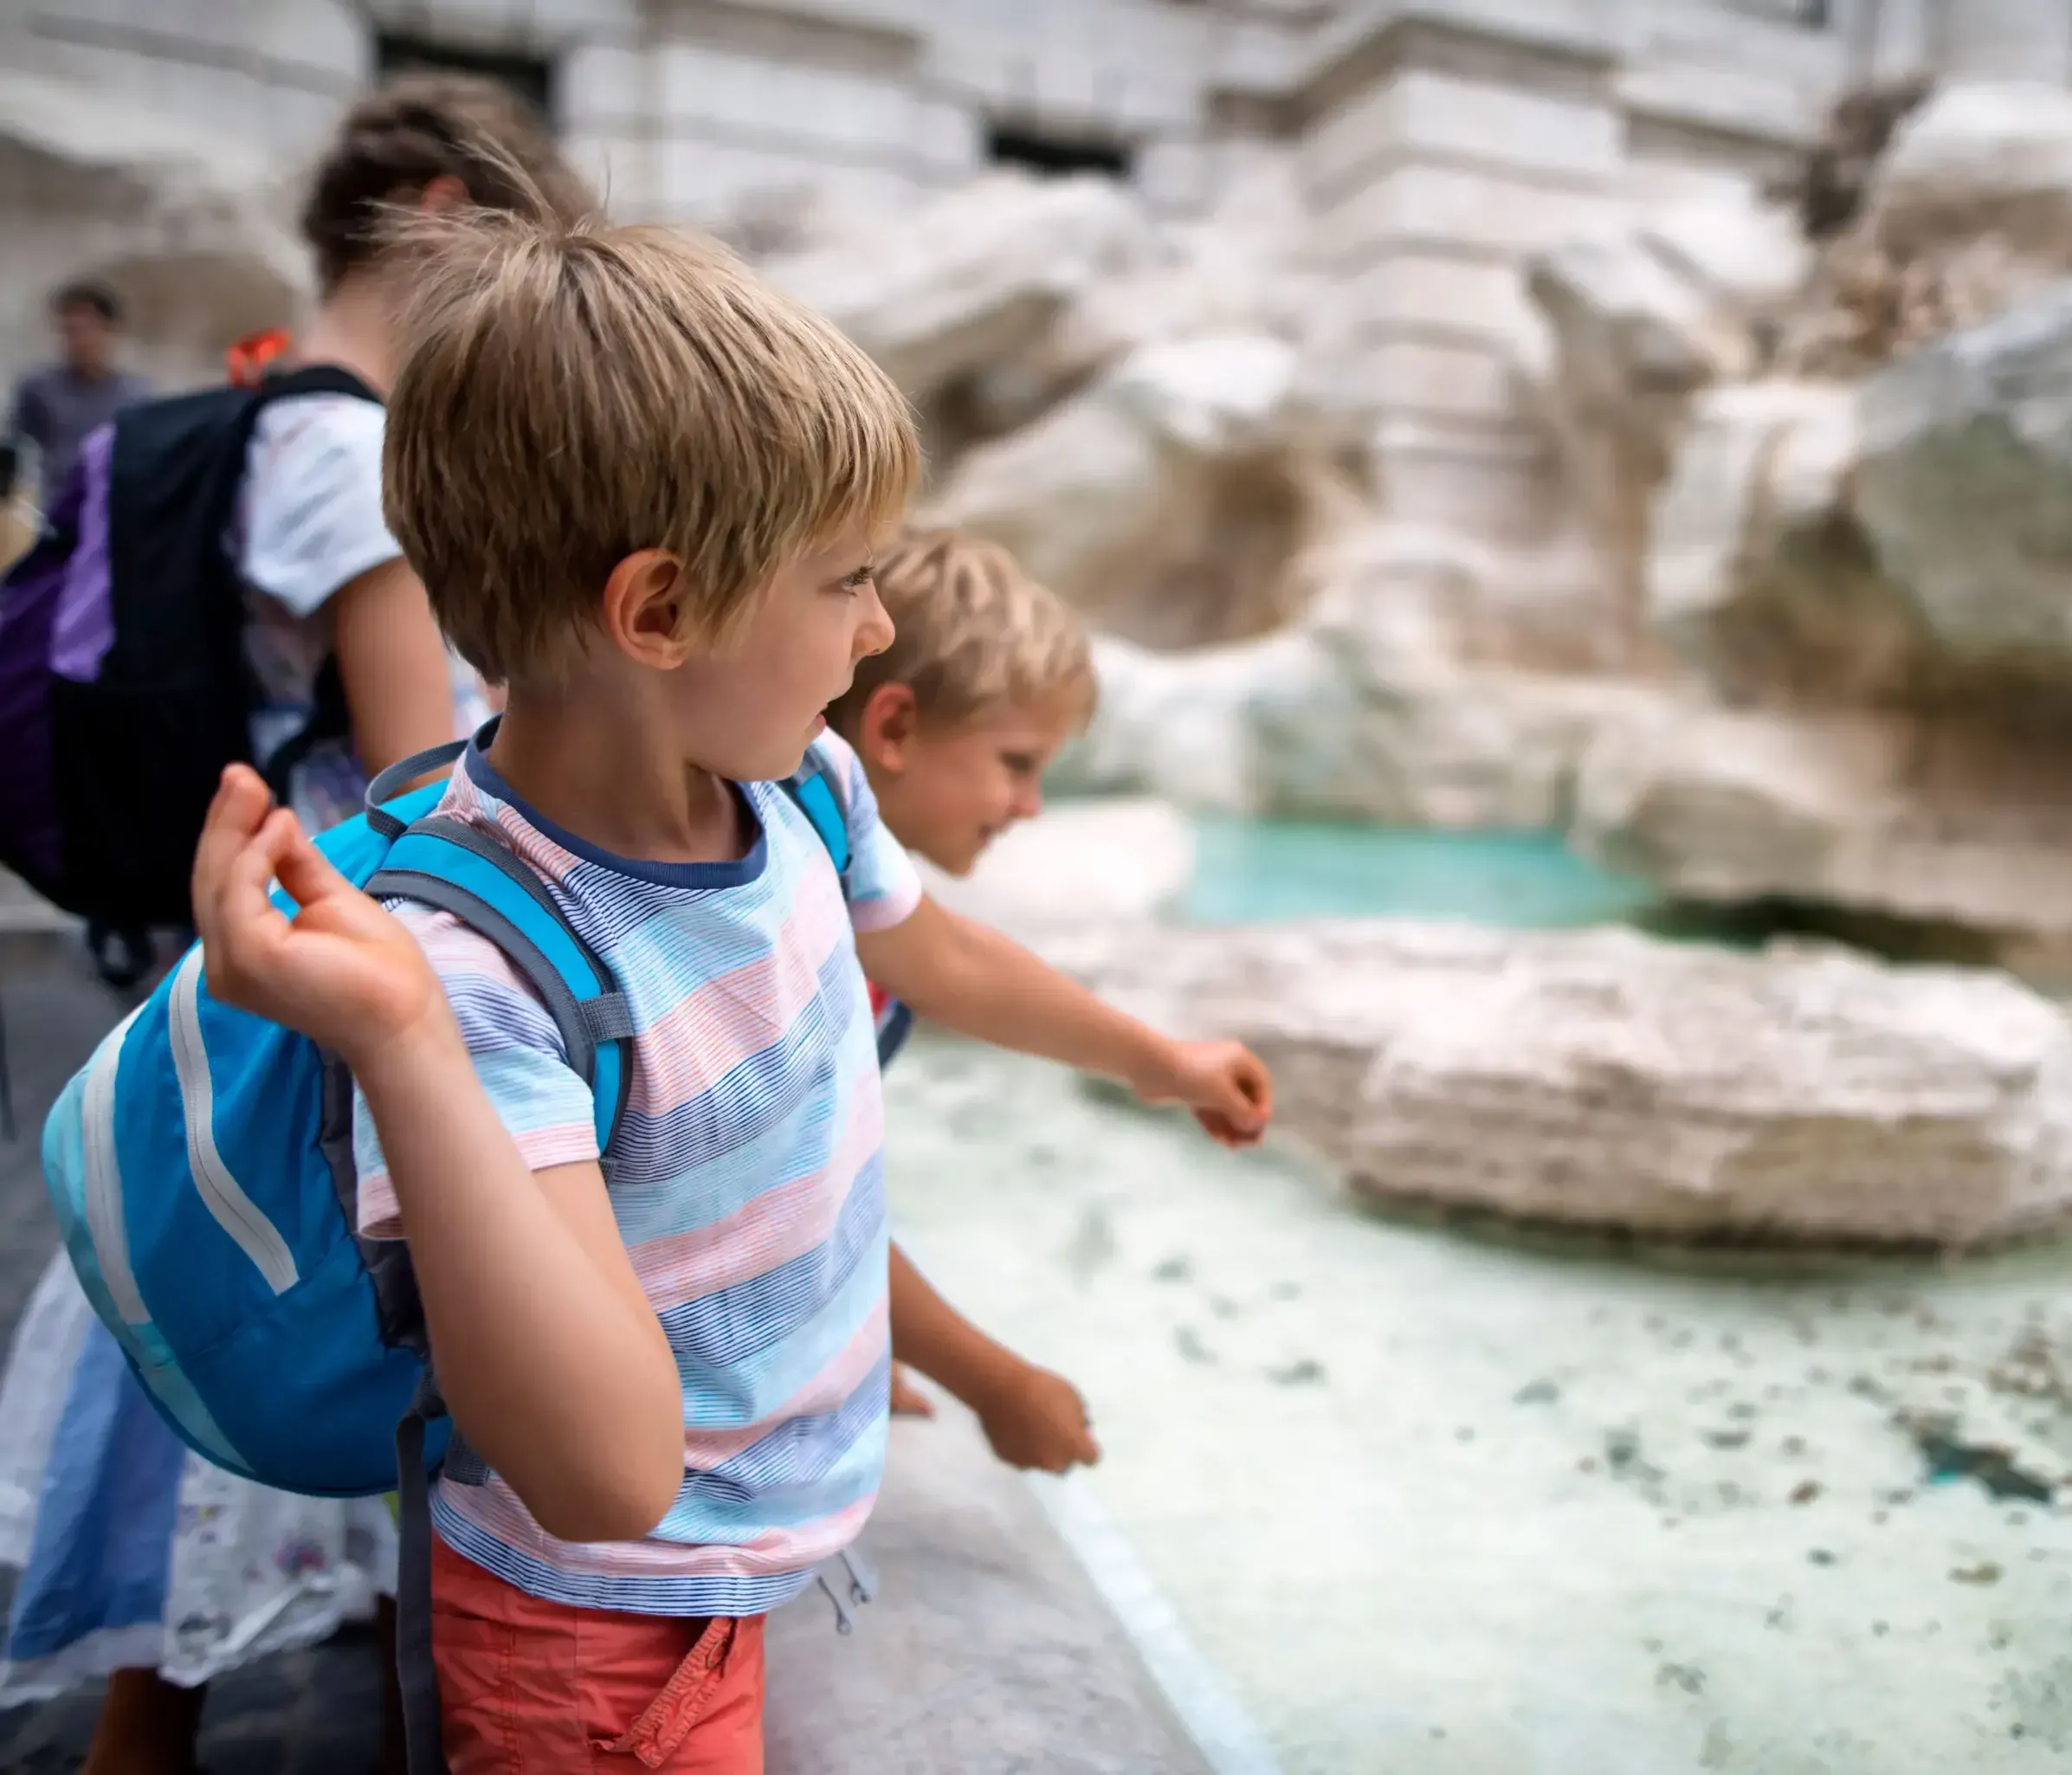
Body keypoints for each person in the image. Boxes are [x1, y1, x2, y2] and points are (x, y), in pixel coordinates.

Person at [186, 197, 1272, 1774]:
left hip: (760, 1529)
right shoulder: (475, 973)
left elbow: (933, 951)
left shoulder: (799, 788)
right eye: (846, 581)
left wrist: (1147, 1056)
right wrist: (402, 1049)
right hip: (604, 1640)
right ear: (665, 613)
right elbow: (606, 1476)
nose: (881, 623)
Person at [0, 72, 593, 1775]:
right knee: (351, 1298)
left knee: (232, 1293)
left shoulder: (276, 414)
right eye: (514, 250)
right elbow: (425, 765)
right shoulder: (348, 445)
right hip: (353, 919)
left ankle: (194, 1700)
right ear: (434, 212)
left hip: (267, 905)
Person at [832, 527, 1102, 1442]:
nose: (1029, 806)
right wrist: (999, 1386)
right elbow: (803, 1208)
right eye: (1016, 763)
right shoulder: (805, 927)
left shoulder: (847, 892)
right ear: (895, 727)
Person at [7, 281, 151, 512]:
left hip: (111, 513)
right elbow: (17, 451)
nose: (79, 342)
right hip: (51, 512)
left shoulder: (137, 398)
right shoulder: (39, 389)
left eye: (86, 330)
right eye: (69, 331)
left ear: (110, 331)